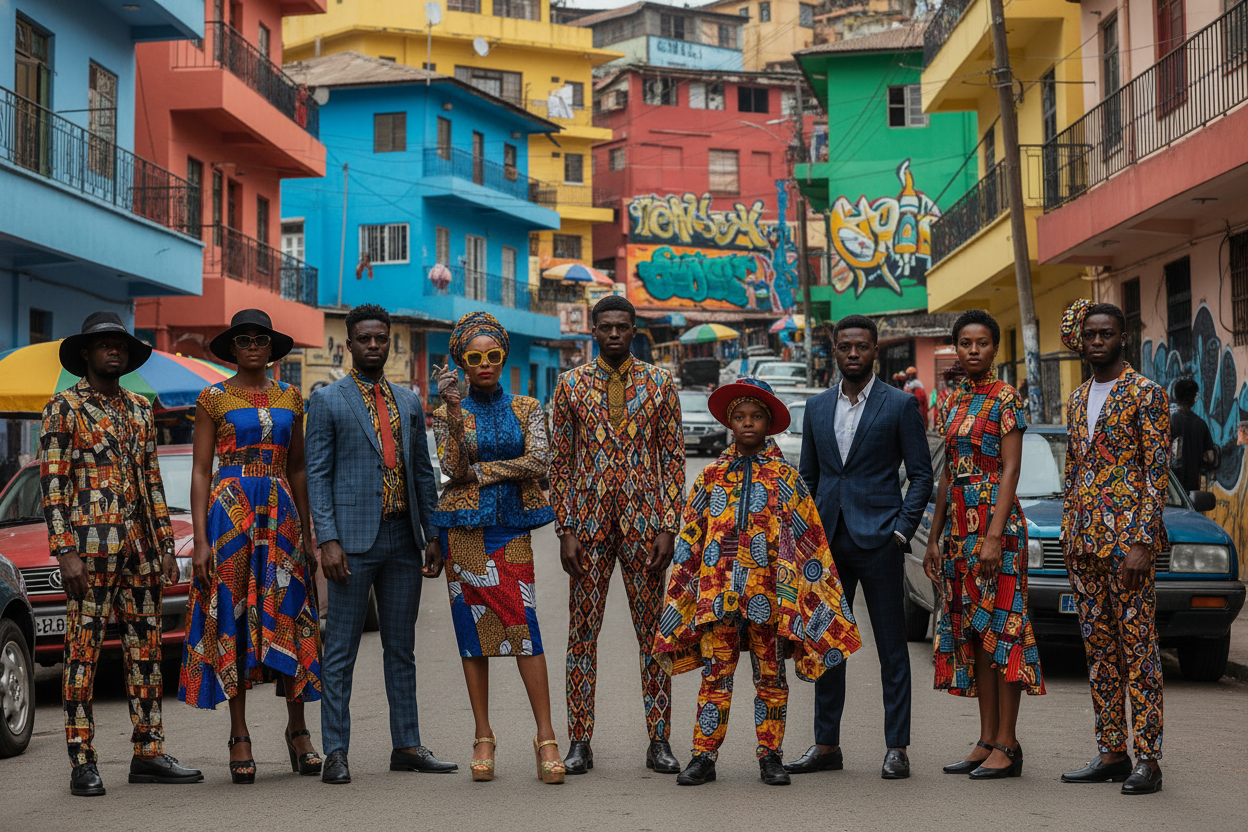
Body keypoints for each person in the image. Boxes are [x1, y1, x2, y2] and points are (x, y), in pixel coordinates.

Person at [654, 379, 862, 786]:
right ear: (730, 423)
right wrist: (684, 591)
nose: (748, 424)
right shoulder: (712, 476)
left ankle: (770, 755)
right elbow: (692, 538)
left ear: (769, 424)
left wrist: (812, 599)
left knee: (771, 677)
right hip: (719, 598)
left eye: (756, 417)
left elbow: (809, 542)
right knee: (716, 675)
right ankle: (703, 755)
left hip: (770, 596)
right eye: (740, 417)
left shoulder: (786, 478)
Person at [38, 311, 203, 796]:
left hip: (141, 552)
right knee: (83, 656)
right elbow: (52, 486)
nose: (114, 351)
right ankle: (82, 759)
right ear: (85, 354)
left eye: (121, 345)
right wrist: (64, 551)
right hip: (88, 554)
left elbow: (151, 480)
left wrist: (166, 546)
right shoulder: (63, 408)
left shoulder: (138, 407)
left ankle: (148, 751)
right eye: (104, 344)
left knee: (146, 652)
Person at [305, 304, 456, 785]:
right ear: (349, 344)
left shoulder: (410, 402)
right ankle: (336, 752)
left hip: (402, 539)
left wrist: (433, 533)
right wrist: (327, 540)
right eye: (365, 339)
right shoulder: (328, 401)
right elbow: (318, 476)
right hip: (350, 544)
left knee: (401, 649)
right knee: (341, 651)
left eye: (381, 339)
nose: (374, 346)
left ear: (389, 342)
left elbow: (422, 476)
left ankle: (406, 745)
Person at [786, 314, 933, 780]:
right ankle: (826, 744)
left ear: (875, 351)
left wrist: (901, 531)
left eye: (862, 347)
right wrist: (805, 536)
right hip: (828, 543)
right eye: (845, 346)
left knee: (893, 648)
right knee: (828, 644)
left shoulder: (900, 405)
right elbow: (810, 476)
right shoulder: (816, 407)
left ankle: (897, 747)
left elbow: (922, 475)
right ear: (835, 349)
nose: (853, 353)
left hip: (881, 541)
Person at [180, 309, 323, 783]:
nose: (253, 345)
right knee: (234, 616)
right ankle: (239, 733)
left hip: (280, 518)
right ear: (233, 348)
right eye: (243, 339)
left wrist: (308, 530)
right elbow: (201, 471)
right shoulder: (212, 398)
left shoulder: (290, 397)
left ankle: (298, 730)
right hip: (231, 517)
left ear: (272, 345)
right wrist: (201, 540)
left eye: (260, 337)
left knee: (288, 612)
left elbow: (298, 468)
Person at [549, 295, 686, 775]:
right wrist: (565, 527)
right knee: (581, 636)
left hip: (646, 529)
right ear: (592, 329)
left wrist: (669, 524)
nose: (613, 334)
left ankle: (660, 740)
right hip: (585, 531)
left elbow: (672, 459)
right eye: (605, 326)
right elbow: (560, 463)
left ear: (634, 331)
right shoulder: (570, 386)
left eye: (622, 327)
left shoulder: (659, 383)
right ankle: (580, 741)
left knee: (654, 637)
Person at [430, 312, 564, 784]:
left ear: (503, 357)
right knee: (474, 633)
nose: (484, 364)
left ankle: (545, 736)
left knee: (523, 626)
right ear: (461, 363)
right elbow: (451, 465)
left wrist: (484, 472)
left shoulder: (528, 407)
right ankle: (482, 735)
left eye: (492, 356)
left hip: (511, 529)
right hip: (463, 532)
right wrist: (450, 410)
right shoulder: (451, 411)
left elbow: (540, 459)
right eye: (474, 357)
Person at [923, 310, 1044, 780]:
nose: (973, 350)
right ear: (957, 348)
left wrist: (993, 536)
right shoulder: (952, 403)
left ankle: (1009, 745)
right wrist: (934, 539)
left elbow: (1011, 469)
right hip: (958, 532)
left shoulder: (1006, 398)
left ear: (995, 348)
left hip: (997, 531)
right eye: (965, 343)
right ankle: (986, 739)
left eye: (982, 343)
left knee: (1005, 630)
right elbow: (947, 474)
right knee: (976, 635)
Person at [1058, 300, 1169, 795]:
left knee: (1138, 652)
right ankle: (1111, 751)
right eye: (1090, 334)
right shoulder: (1077, 397)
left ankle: (1148, 757)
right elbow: (1074, 470)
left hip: (1128, 547)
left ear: (1122, 337)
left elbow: (1156, 473)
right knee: (1100, 652)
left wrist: (1143, 542)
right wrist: (1067, 531)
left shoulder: (1147, 394)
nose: (1097, 341)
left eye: (1106, 333)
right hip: (1082, 544)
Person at [1169, 378, 1216, 494]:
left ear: (1177, 396)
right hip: (1193, 487)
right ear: (1194, 399)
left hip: (1172, 487)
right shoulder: (1201, 424)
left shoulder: (1169, 422)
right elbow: (1210, 456)